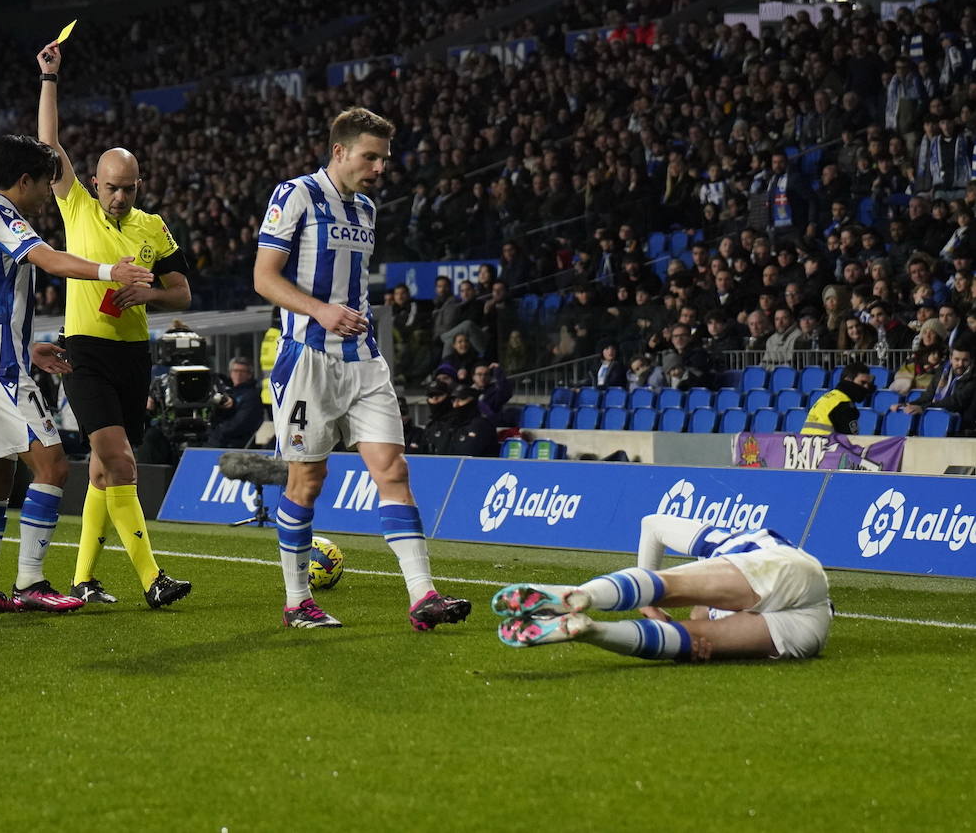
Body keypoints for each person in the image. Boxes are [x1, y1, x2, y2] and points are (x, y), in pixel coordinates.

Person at [253, 105, 470, 630]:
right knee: (308, 480)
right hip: (307, 359)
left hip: (364, 361)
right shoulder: (296, 194)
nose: (379, 168)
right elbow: (264, 277)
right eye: (371, 157)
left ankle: (423, 597)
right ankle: (296, 601)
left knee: (394, 471)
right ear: (339, 151)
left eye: (384, 159)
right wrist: (321, 310)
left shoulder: (367, 209)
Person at [0, 133, 154, 614]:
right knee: (54, 466)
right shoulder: (5, 219)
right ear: (24, 181)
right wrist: (111, 272)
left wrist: (29, 346)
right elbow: (51, 259)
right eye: (45, 183)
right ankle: (30, 583)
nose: (50, 192)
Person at [36, 41, 193, 608]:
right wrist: (50, 79)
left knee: (105, 470)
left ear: (139, 185)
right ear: (95, 184)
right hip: (84, 353)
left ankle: (82, 578)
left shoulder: (154, 227)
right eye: (110, 186)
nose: (118, 195)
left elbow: (183, 291)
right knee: (121, 458)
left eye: (128, 187)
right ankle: (153, 579)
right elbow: (48, 145)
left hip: (132, 356)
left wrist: (148, 292)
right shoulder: (75, 206)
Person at [492, 513, 832, 661]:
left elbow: (652, 524)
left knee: (667, 585)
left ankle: (587, 595)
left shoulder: (725, 543)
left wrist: (649, 604)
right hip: (811, 630)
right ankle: (589, 630)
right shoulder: (711, 610)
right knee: (694, 642)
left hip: (793, 575)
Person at [891, 336, 976, 434]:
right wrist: (907, 405)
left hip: (963, 428)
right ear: (950, 358)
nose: (960, 364)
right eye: (957, 359)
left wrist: (924, 408)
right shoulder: (942, 372)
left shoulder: (973, 378)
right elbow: (928, 396)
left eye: (965, 360)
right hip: (937, 421)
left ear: (971, 360)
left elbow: (955, 402)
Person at [802, 361, 875, 435]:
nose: (866, 387)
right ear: (848, 380)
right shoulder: (844, 405)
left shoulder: (828, 397)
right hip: (827, 445)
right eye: (862, 382)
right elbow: (851, 440)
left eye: (868, 384)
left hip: (807, 444)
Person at [207, 356, 263, 449]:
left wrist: (216, 430)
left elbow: (240, 424)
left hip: (233, 444)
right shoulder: (227, 391)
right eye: (235, 371)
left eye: (242, 371)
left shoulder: (252, 396)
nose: (238, 374)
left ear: (249, 375)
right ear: (230, 373)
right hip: (220, 439)